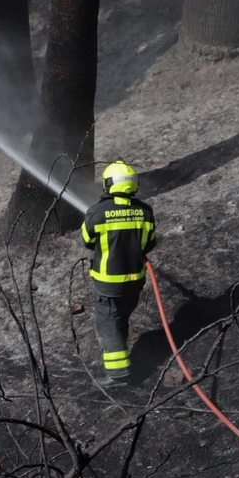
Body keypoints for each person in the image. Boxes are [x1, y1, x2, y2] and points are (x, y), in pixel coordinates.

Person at [80, 160, 157, 383]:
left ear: (108, 184)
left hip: (108, 282)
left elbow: (86, 240)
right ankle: (121, 356)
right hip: (135, 280)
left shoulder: (97, 212)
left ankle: (117, 373)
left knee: (108, 323)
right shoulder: (145, 211)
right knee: (120, 317)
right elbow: (149, 244)